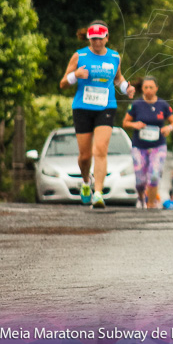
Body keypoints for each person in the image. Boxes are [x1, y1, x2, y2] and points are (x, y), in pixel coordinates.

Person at [58, 20, 135, 210]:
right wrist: (75, 75)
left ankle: (98, 193)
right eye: (93, 39)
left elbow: (118, 78)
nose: (97, 43)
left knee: (100, 150)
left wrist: (127, 88)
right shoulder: (79, 55)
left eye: (100, 39)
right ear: (89, 39)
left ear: (107, 38)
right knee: (85, 156)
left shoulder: (114, 57)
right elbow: (62, 84)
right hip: (82, 108)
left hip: (105, 107)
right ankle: (86, 182)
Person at [122, 76, 173, 209]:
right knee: (140, 179)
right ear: (142, 89)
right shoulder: (136, 104)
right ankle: (141, 196)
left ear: (156, 89)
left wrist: (168, 128)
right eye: (145, 87)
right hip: (139, 146)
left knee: (154, 175)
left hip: (158, 146)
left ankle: (151, 203)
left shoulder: (163, 105)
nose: (148, 90)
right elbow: (125, 122)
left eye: (151, 87)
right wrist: (135, 125)